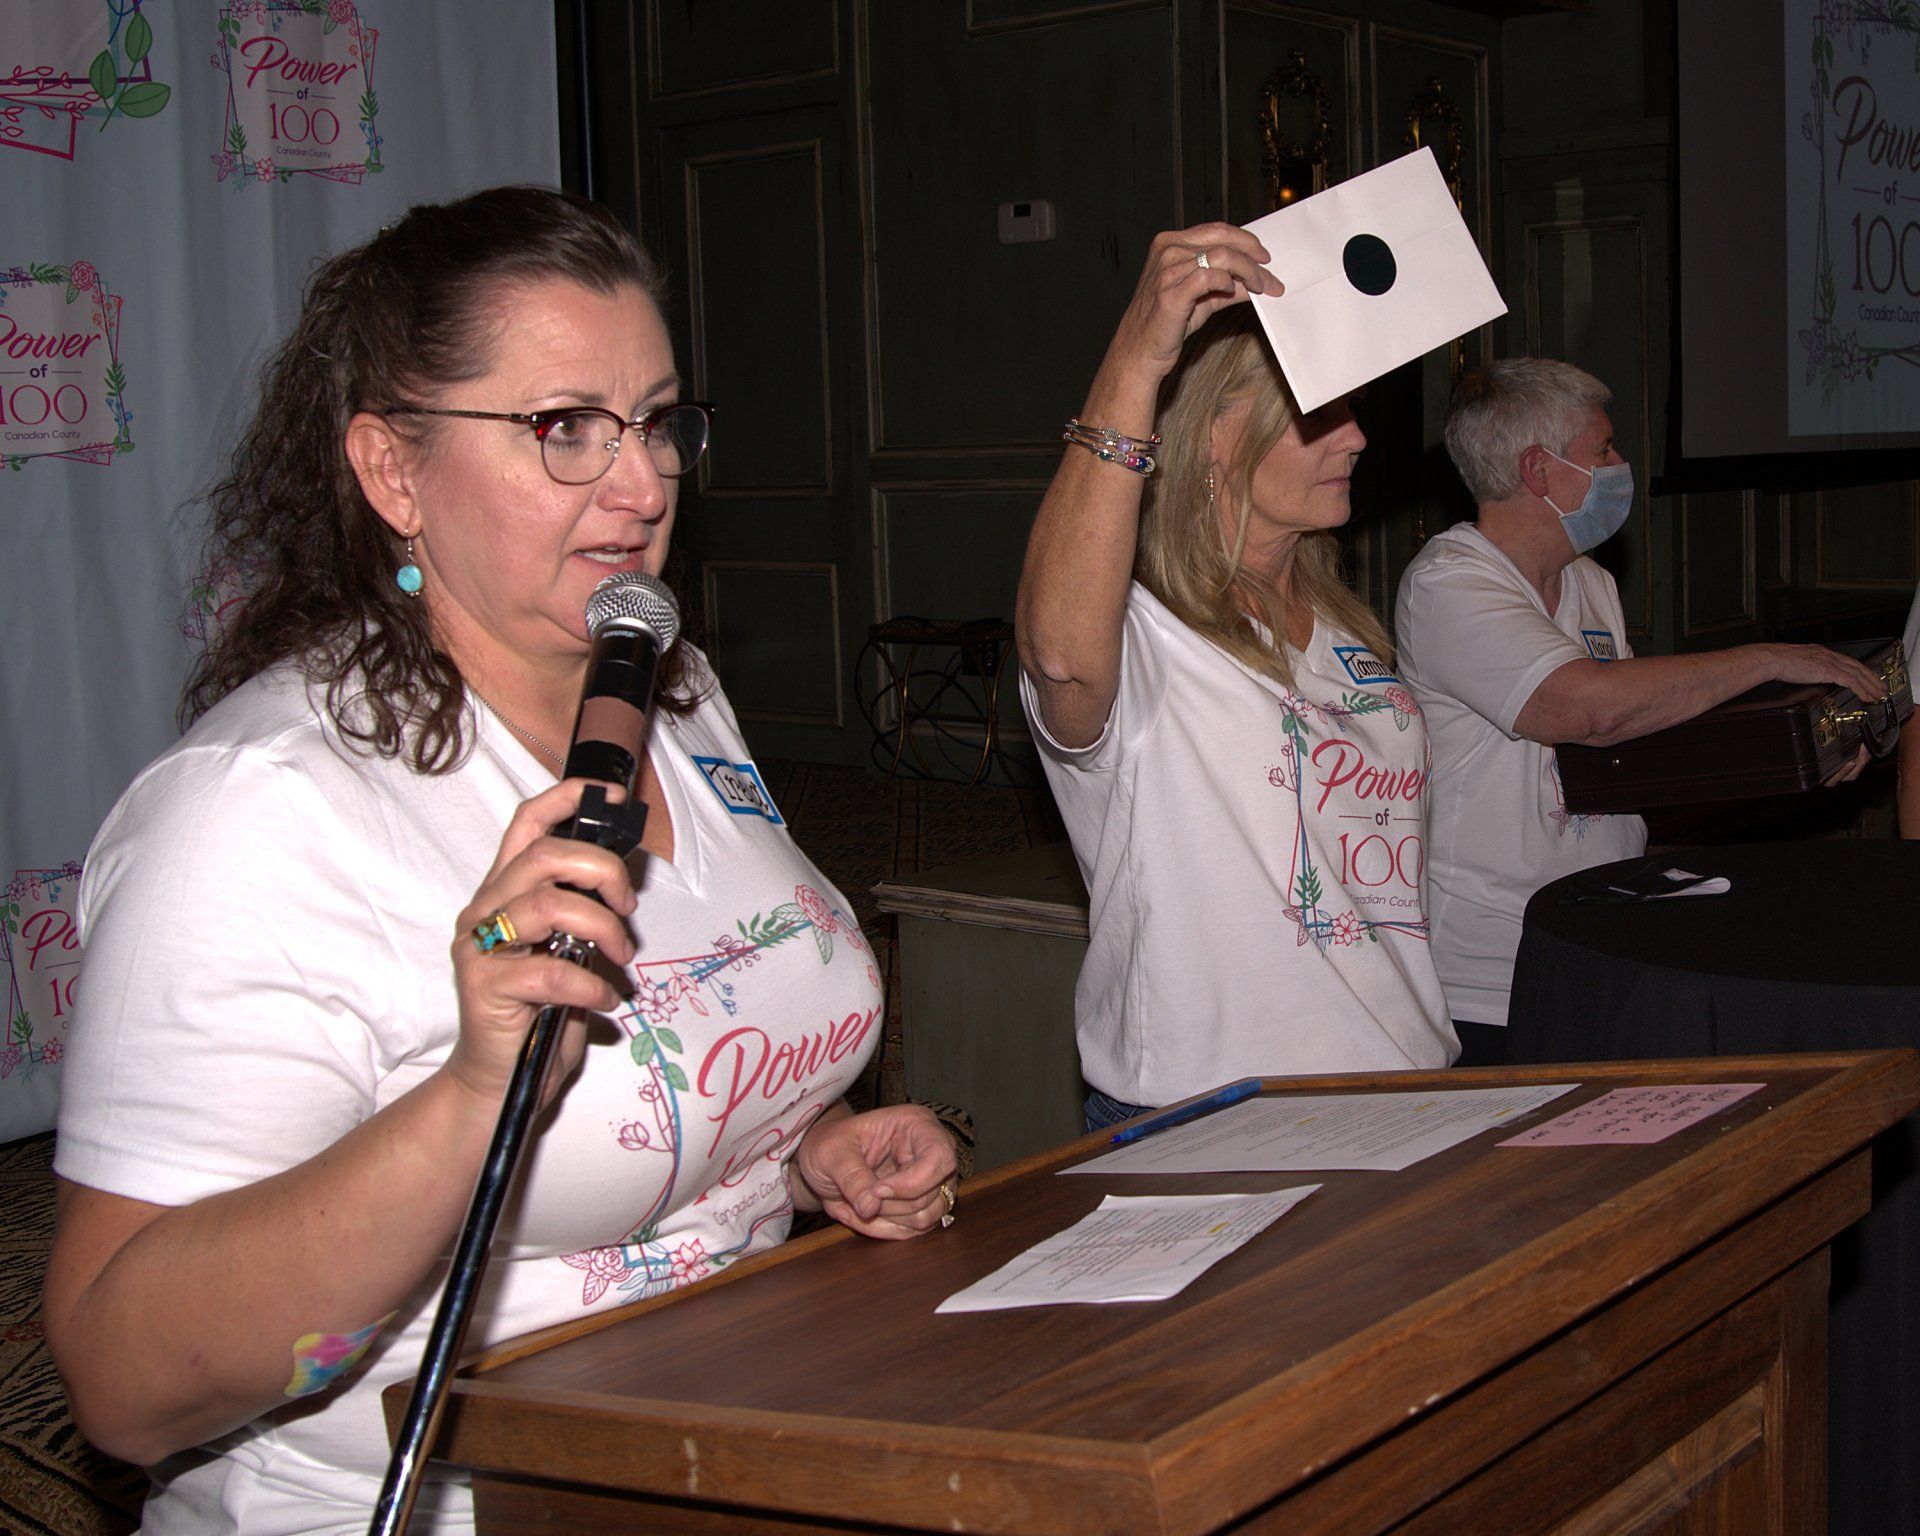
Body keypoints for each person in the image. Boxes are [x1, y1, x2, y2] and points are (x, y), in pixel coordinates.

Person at [43, 186, 956, 1534]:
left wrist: (799, 1148)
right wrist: (478, 1090)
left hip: (730, 1456)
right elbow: (123, 1384)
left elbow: (672, 1046)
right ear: (394, 471)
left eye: (655, 423)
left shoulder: (674, 691)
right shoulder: (251, 815)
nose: (641, 485)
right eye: (564, 429)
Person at [1015, 224, 1455, 1131]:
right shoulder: (1143, 636)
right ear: (1216, 434)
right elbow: (1059, 658)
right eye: (1321, 412)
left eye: (1355, 407)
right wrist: (1141, 348)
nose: (1360, 437)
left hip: (1402, 1077)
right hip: (1218, 1106)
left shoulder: (1345, 628)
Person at [1396, 358, 1881, 1063]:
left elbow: (1638, 739)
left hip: (1598, 931)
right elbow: (1586, 712)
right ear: (1539, 470)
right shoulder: (1449, 584)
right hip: (1494, 971)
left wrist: (1813, 740)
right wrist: (1768, 658)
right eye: (1603, 450)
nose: (1621, 466)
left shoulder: (1588, 581)